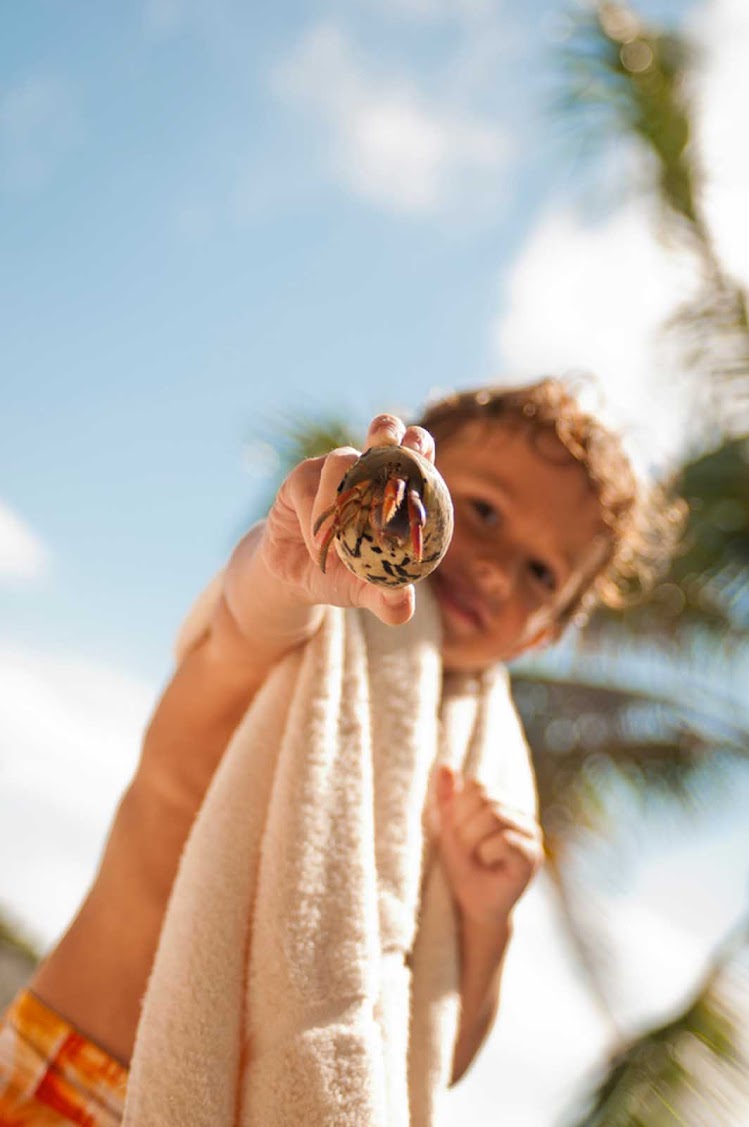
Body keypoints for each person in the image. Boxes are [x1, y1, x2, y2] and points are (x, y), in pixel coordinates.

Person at [0, 378, 680, 1125]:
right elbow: (242, 629)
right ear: (393, 484)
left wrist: (487, 924)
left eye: (540, 573)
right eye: (481, 511)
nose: (494, 568)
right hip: (70, 1077)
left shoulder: (480, 777)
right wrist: (281, 573)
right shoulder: (308, 615)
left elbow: (425, 1053)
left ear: (542, 635)